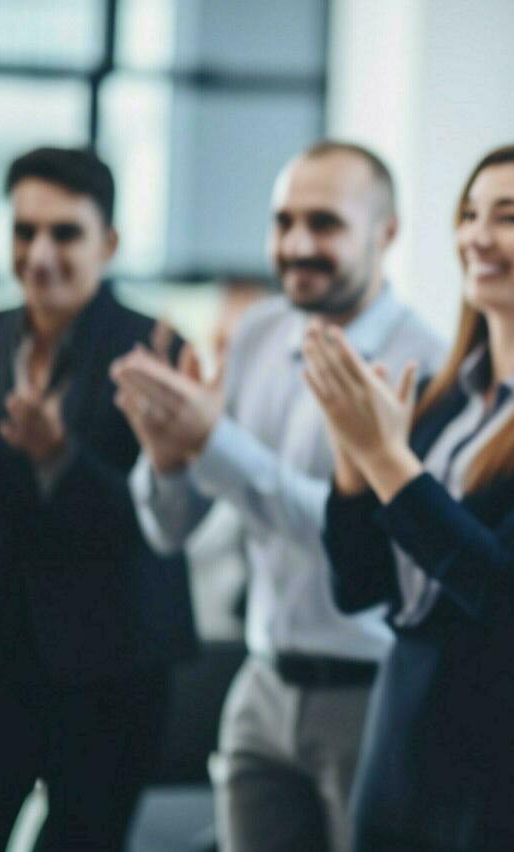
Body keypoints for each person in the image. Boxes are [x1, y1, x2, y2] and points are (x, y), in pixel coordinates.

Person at [111, 141, 444, 852]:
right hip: (260, 689)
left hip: (372, 692)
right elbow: (172, 529)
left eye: (323, 223)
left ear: (385, 233)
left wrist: (213, 444)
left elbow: (350, 539)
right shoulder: (259, 331)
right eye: (282, 221)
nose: (295, 244)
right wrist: (168, 459)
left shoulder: (427, 364)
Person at [310, 142, 514, 851]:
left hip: (507, 744)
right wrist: (351, 465)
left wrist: (383, 456)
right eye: (469, 214)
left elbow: (504, 582)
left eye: (511, 217)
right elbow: (358, 586)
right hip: (401, 729)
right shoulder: (441, 400)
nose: (477, 237)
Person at [0, 147, 198, 850]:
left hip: (115, 663)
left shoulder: (154, 349)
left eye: (64, 234)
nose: (39, 253)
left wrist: (58, 458)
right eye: (24, 232)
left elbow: (161, 522)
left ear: (108, 243)